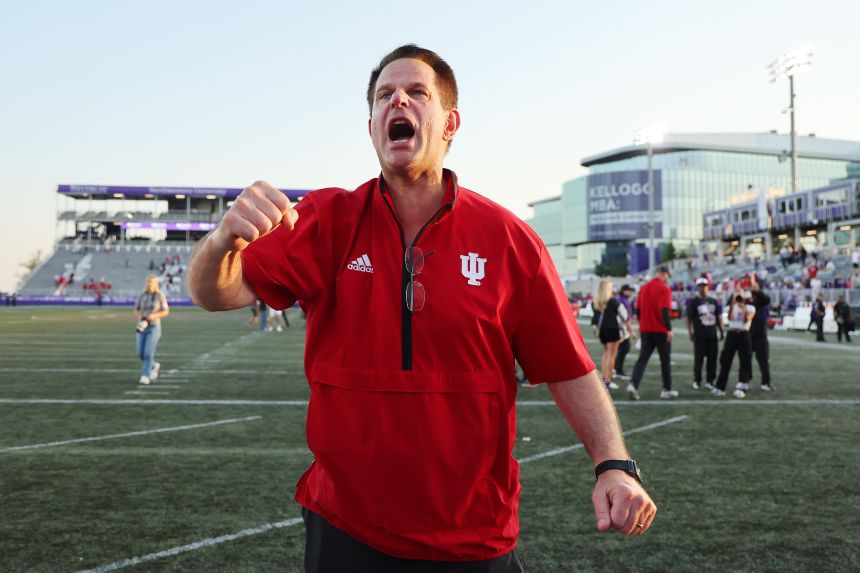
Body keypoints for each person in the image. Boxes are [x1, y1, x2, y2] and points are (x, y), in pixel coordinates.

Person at [187, 44, 656, 572]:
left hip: (473, 535)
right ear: (372, 128)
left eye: (416, 93)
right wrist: (224, 239)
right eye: (385, 95)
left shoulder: (509, 240)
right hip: (345, 527)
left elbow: (568, 367)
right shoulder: (324, 219)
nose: (398, 102)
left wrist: (613, 465)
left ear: (449, 122)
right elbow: (215, 292)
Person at [628, 266, 678, 401]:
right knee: (665, 361)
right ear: (664, 274)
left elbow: (637, 310)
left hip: (645, 329)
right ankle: (666, 389)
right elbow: (664, 312)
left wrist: (642, 323)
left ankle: (633, 384)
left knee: (642, 359)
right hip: (660, 331)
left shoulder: (644, 288)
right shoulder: (664, 288)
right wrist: (669, 329)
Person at [711, 289, 755, 399]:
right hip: (732, 333)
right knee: (725, 359)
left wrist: (742, 307)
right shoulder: (730, 307)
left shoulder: (750, 308)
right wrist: (733, 304)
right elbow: (730, 318)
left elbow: (746, 319)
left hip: (744, 334)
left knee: (745, 360)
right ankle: (721, 386)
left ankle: (742, 386)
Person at [592, 280, 631, 391]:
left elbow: (594, 319)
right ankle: (607, 381)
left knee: (606, 354)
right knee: (611, 355)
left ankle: (603, 380)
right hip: (613, 330)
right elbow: (625, 315)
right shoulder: (613, 301)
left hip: (603, 332)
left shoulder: (596, 302)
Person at [686, 278, 723, 391]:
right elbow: (689, 319)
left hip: (712, 334)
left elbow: (718, 317)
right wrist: (690, 332)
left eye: (705, 286)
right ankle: (697, 380)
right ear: (697, 287)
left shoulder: (713, 301)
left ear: (708, 287)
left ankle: (710, 380)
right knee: (699, 359)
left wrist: (721, 331)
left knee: (712, 359)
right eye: (701, 286)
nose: (703, 288)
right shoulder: (694, 302)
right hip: (700, 335)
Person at [134, 275, 169, 385]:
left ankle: (145, 375)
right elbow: (136, 309)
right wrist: (140, 317)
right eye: (148, 282)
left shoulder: (160, 296)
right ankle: (154, 365)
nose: (149, 284)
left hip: (154, 327)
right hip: (142, 326)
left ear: (156, 284)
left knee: (148, 353)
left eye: (151, 282)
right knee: (140, 354)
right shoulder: (142, 295)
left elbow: (166, 311)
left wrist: (154, 316)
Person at [748, 281, 773, 391]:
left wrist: (757, 291)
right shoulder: (746, 297)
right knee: (746, 359)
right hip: (748, 333)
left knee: (763, 359)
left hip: (760, 334)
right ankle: (745, 380)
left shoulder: (761, 298)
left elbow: (767, 300)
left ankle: (766, 382)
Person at [614, 284, 636, 380]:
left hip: (620, 327)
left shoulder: (623, 300)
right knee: (624, 348)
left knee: (621, 349)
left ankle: (617, 369)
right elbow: (625, 317)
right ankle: (618, 370)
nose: (631, 292)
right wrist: (631, 330)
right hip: (621, 328)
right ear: (624, 291)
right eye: (629, 290)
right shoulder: (622, 301)